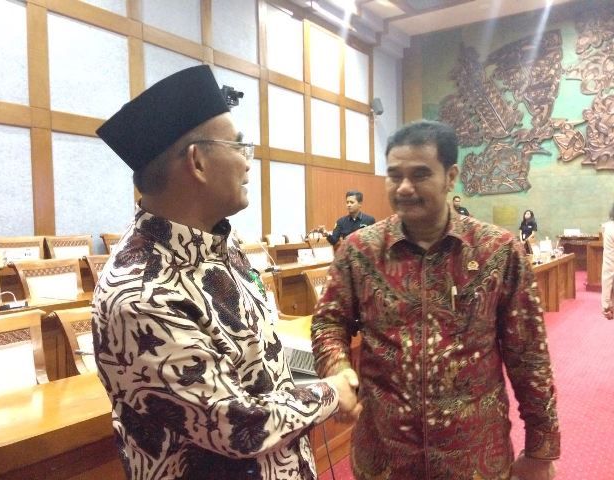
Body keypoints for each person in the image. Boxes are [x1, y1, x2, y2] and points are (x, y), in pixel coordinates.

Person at [92, 65, 360, 480]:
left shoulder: (222, 244)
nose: (248, 163)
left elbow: (254, 360)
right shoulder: (140, 292)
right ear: (198, 162)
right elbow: (237, 427)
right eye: (238, 146)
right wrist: (331, 392)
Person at [311, 120, 560, 479]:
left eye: (420, 174)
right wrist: (337, 368)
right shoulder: (359, 251)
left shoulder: (498, 251)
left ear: (450, 176)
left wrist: (541, 449)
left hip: (475, 458)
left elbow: (530, 355)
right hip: (385, 457)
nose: (404, 187)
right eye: (394, 175)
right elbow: (328, 321)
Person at [602, 203, 614, 320]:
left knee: (607, 278)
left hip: (609, 262)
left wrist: (606, 304)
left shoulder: (607, 227)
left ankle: (607, 307)